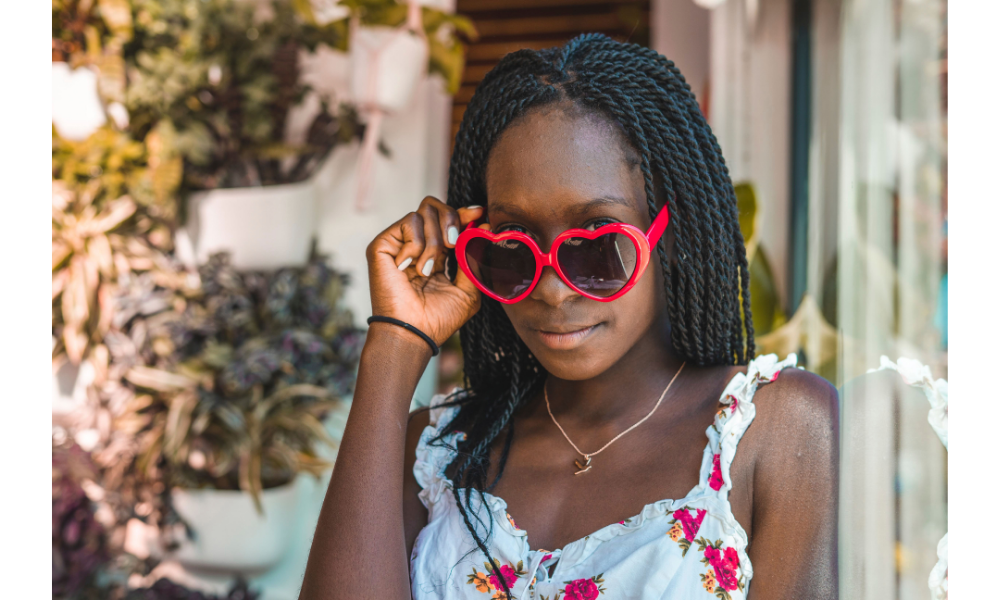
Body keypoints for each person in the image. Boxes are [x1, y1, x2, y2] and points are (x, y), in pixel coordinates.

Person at [300, 34, 838, 600]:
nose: (554, 291)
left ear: (669, 235)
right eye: (511, 250)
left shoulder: (775, 431)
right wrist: (395, 342)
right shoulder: (438, 452)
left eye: (596, 248)